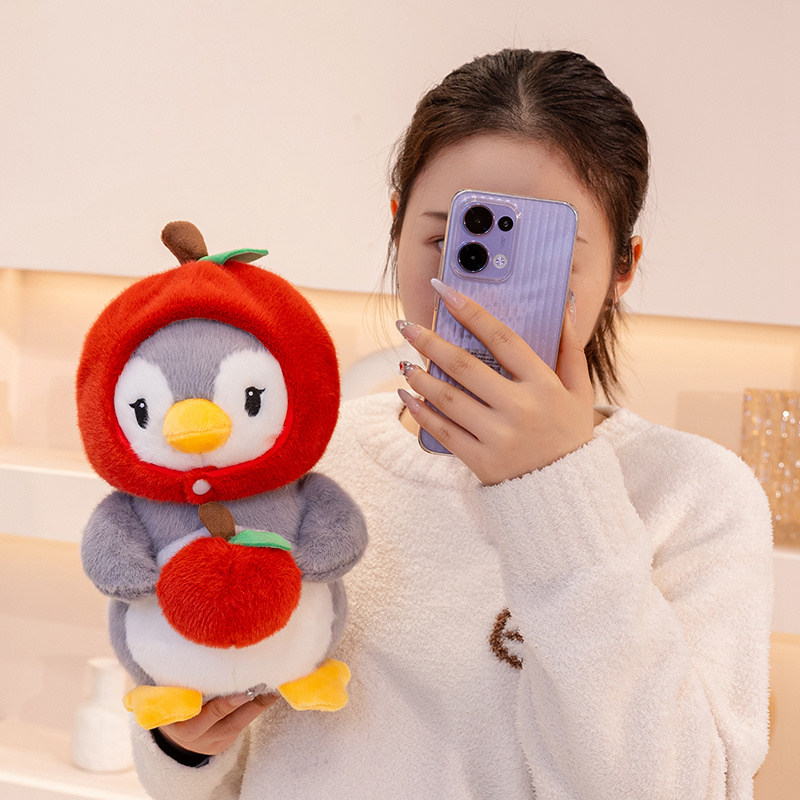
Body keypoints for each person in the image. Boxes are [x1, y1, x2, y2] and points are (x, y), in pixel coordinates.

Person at [130, 49, 772, 799]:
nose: (478, 299)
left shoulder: (694, 495)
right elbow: (197, 775)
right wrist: (182, 742)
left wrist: (557, 491)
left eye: (541, 258)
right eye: (449, 242)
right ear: (396, 226)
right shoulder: (306, 454)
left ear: (622, 268)